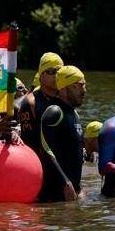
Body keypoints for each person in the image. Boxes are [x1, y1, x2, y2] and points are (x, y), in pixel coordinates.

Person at [38, 65, 87, 202]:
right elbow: (45, 149)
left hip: (71, 192)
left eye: (84, 85)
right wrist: (65, 182)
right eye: (78, 86)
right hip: (55, 194)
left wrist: (78, 186)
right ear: (63, 88)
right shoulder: (54, 111)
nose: (84, 91)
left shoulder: (74, 113)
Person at [18, 52, 63, 150]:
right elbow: (28, 141)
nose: (56, 75)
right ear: (41, 76)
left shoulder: (65, 98)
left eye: (59, 71)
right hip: (41, 158)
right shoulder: (31, 102)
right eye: (52, 71)